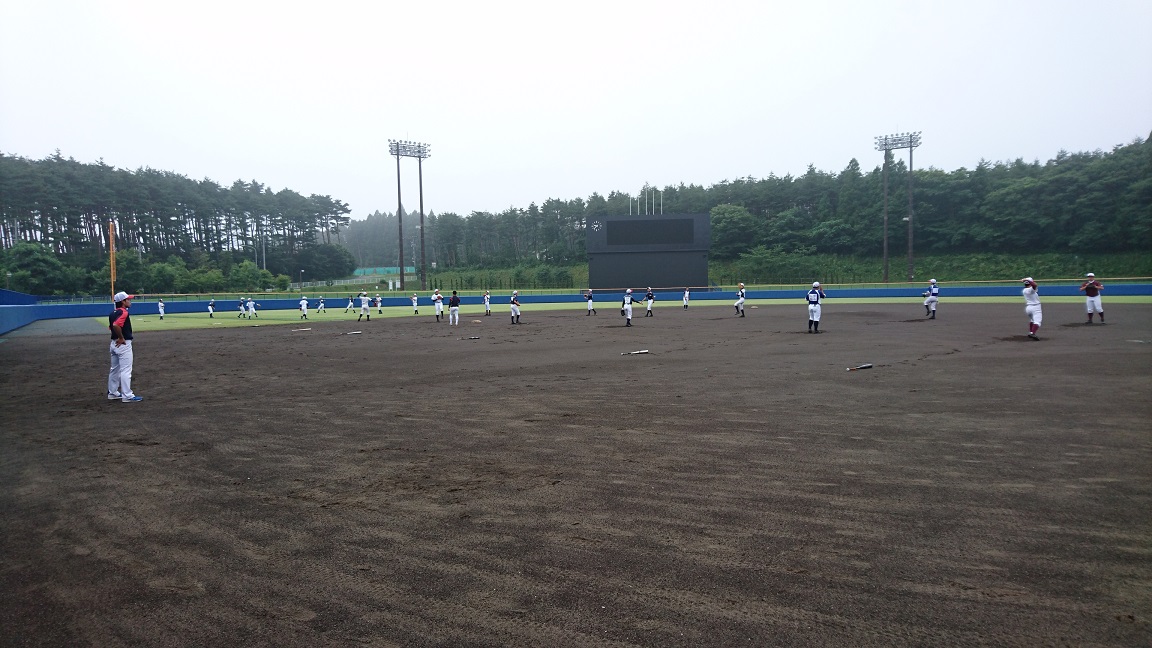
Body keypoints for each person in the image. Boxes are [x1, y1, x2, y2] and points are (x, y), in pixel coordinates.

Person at [107, 291, 142, 403]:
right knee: (126, 370)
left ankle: (112, 392)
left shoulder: (112, 313)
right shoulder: (123, 312)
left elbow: (110, 327)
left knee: (114, 370)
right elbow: (116, 325)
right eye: (128, 299)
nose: (130, 301)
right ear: (123, 301)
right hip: (123, 344)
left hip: (113, 344)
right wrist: (121, 337)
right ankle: (127, 395)